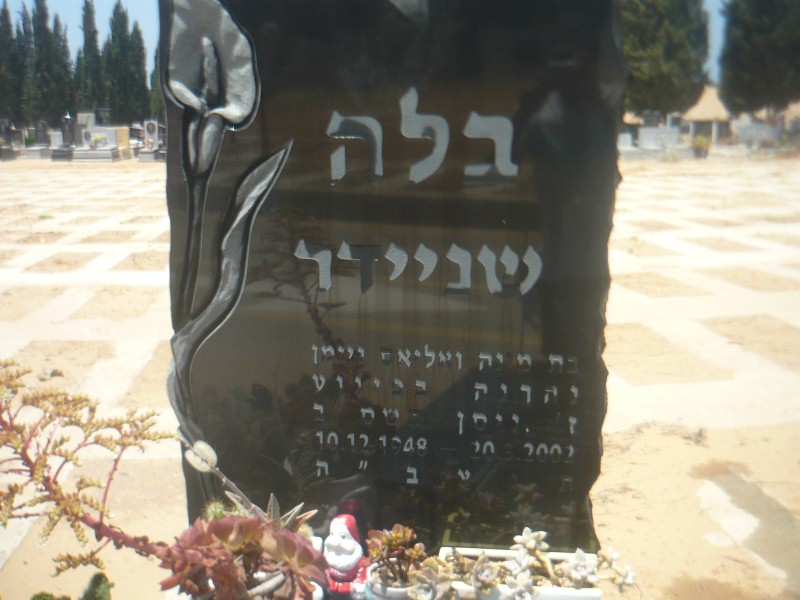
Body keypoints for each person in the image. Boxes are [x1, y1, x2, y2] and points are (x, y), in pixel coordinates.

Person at [323, 514, 368, 599]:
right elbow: (323, 570)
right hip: (330, 589)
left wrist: (357, 586)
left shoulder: (359, 561)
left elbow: (361, 576)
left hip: (349, 593)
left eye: (343, 536)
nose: (335, 542)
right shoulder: (328, 556)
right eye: (332, 534)